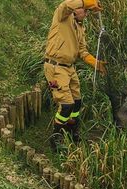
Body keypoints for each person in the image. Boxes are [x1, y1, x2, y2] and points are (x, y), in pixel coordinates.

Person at [44, 0, 106, 152]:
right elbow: (66, 4)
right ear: (75, 10)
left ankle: (72, 132)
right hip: (55, 68)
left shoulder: (80, 28)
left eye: (86, 11)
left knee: (77, 103)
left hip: (69, 69)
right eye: (82, 9)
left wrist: (96, 63)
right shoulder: (62, 16)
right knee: (66, 105)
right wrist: (87, 2)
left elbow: (82, 52)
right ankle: (56, 138)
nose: (85, 12)